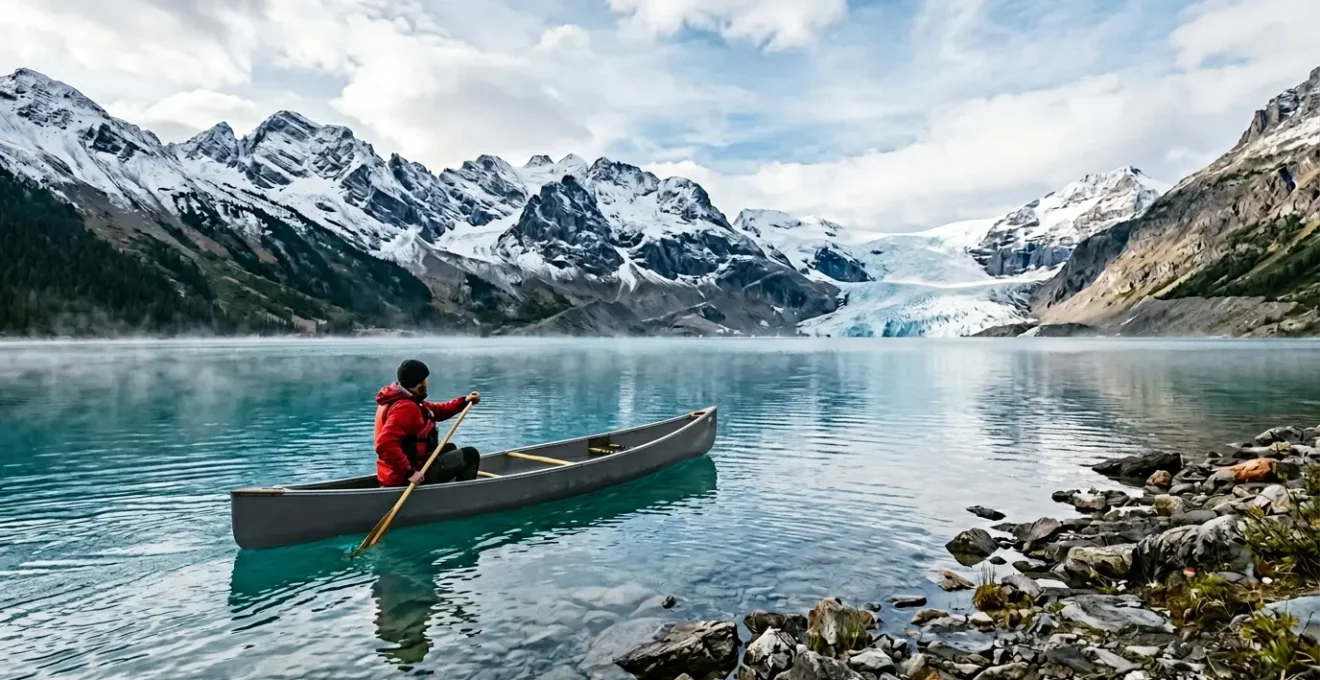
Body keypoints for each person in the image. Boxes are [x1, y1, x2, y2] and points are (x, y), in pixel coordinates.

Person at [374, 359, 481, 487]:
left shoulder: (401, 398)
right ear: (418, 384)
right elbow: (385, 444)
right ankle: (462, 496)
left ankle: (443, 489)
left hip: (394, 471)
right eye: (425, 379)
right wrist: (409, 473)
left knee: (449, 448)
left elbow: (436, 411)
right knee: (471, 455)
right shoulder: (406, 408)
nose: (427, 383)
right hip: (404, 476)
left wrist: (464, 401)